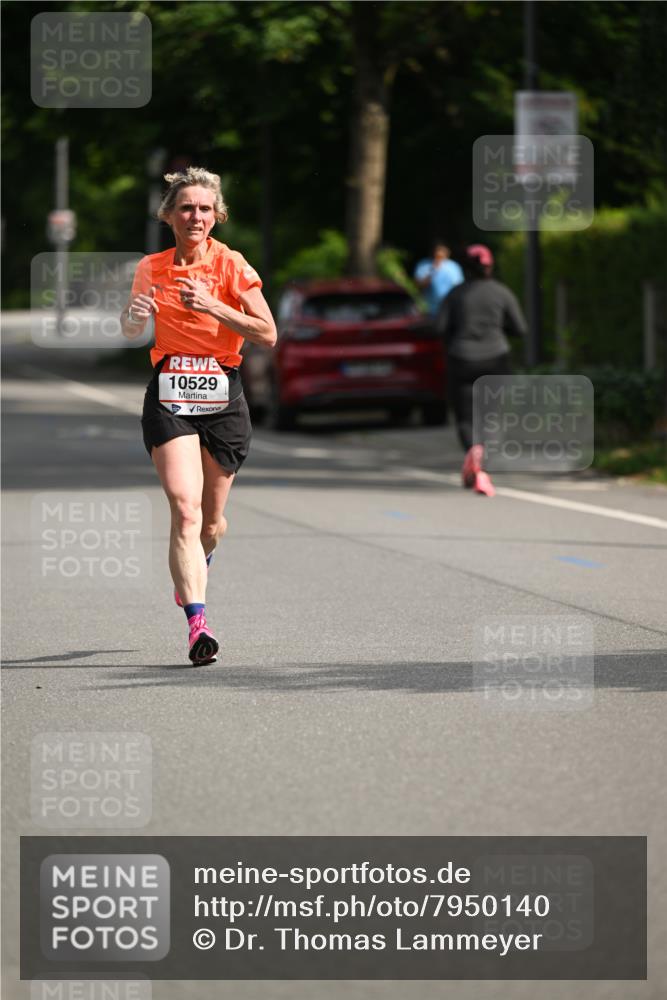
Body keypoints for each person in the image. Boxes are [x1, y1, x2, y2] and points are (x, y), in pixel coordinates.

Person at [121, 167, 277, 665]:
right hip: (170, 394)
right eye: (186, 207)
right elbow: (129, 331)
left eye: (205, 209)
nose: (196, 216)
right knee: (184, 510)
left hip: (222, 393)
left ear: (218, 216)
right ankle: (198, 624)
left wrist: (213, 306)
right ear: (169, 214)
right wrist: (135, 317)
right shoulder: (152, 267)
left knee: (211, 523)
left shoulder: (231, 265)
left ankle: (199, 561)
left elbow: (267, 332)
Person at [436, 244, 527, 497]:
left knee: (465, 417)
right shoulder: (502, 293)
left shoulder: (455, 294)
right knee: (492, 416)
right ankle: (483, 464)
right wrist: (496, 330)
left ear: (465, 269)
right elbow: (520, 329)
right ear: (490, 267)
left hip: (461, 360)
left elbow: (439, 327)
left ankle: (473, 456)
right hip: (496, 359)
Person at [413, 240, 464, 317]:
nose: (440, 253)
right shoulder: (423, 265)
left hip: (448, 309)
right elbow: (418, 286)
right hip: (428, 309)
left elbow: (459, 287)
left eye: (443, 251)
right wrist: (433, 269)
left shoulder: (454, 266)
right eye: (438, 250)